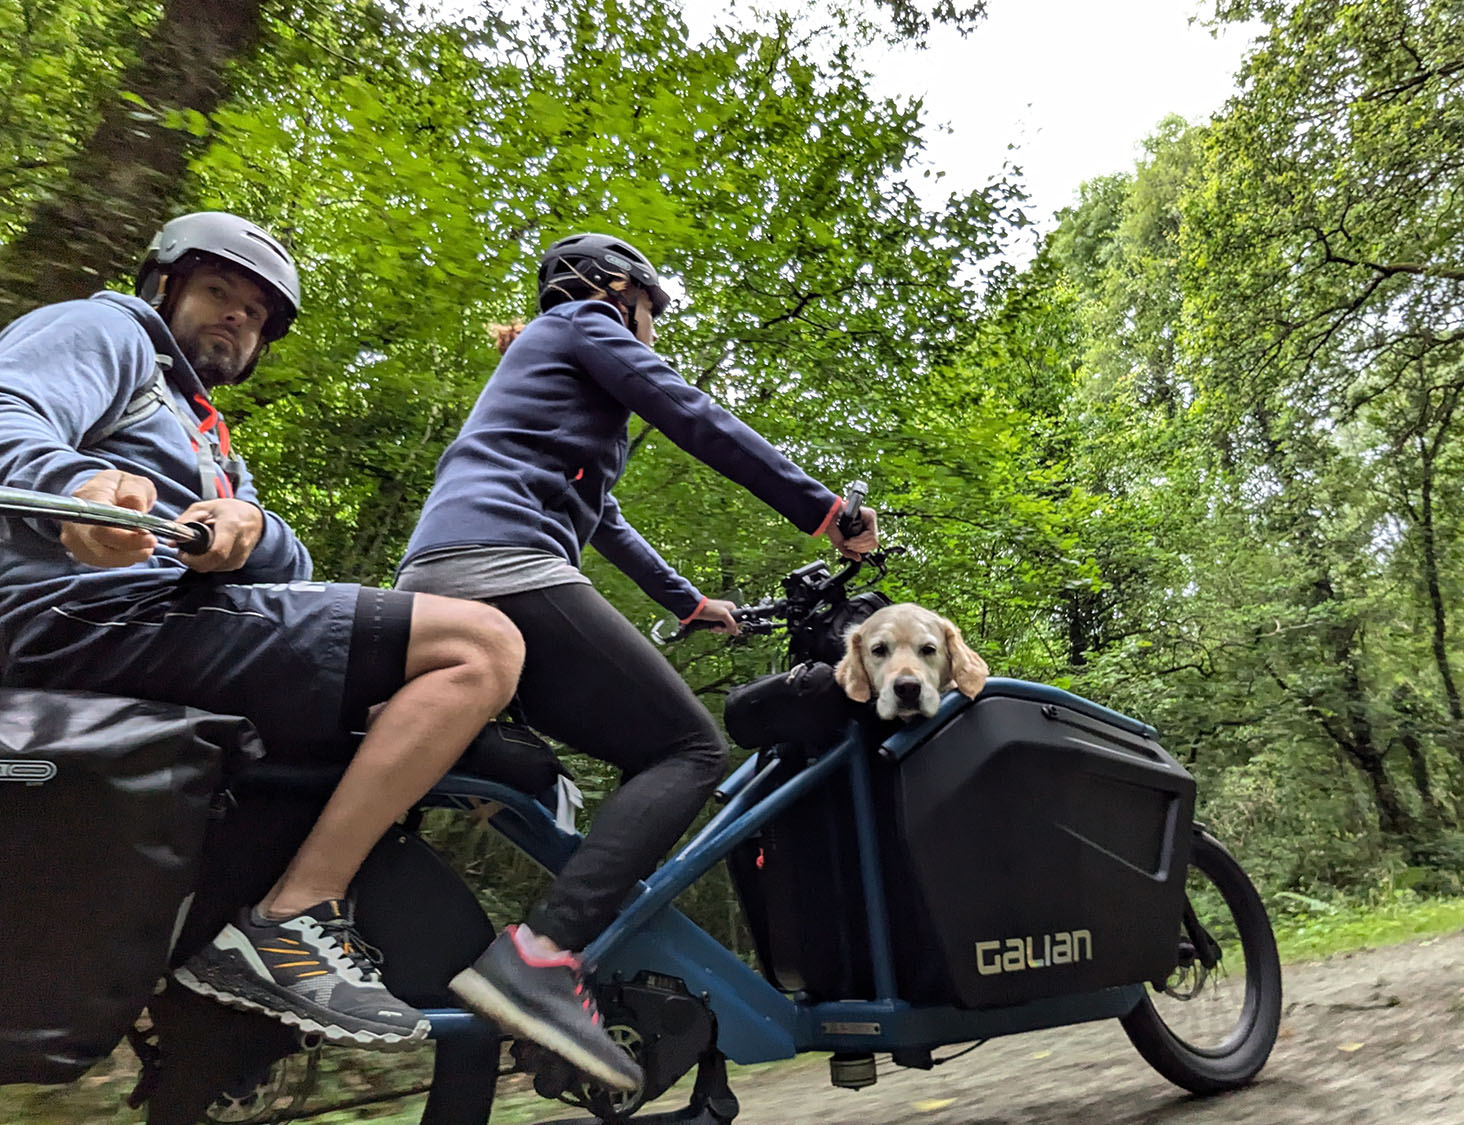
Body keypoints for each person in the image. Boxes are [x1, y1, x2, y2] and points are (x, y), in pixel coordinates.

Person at [0, 212, 524, 1051]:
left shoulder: (207, 437)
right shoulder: (105, 329)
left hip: (151, 619)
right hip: (72, 613)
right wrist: (78, 493)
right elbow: (9, 407)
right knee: (477, 647)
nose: (237, 316)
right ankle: (287, 922)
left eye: (256, 313)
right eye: (218, 291)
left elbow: (290, 569)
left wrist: (249, 523)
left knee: (413, 693)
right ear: (163, 285)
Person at [395, 231, 879, 1091]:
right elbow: (689, 412)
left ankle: (587, 969)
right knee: (690, 751)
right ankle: (542, 955)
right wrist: (827, 510)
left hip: (449, 576)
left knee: (623, 764)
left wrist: (689, 602)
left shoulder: (546, 372)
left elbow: (600, 514)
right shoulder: (586, 324)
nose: (653, 328)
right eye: (652, 309)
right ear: (620, 290)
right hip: (500, 568)